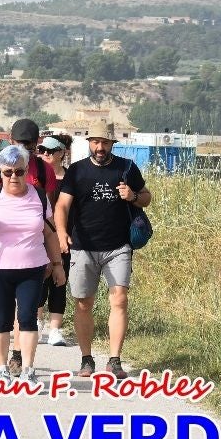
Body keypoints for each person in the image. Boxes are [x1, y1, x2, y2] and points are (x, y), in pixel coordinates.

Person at [0, 145, 66, 388]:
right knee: (1, 321)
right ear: (0, 172)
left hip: (32, 268)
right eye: (7, 172)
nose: (13, 177)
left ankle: (28, 370)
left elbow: (50, 233)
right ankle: (2, 370)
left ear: (27, 170)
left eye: (19, 172)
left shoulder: (38, 196)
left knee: (28, 318)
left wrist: (57, 264)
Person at [54, 120, 151, 380]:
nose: (100, 147)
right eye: (96, 142)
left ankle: (114, 360)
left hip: (118, 247)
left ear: (112, 144)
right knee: (83, 303)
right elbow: (62, 206)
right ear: (89, 143)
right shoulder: (77, 171)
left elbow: (146, 197)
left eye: (105, 143)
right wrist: (61, 233)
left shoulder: (126, 168)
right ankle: (87, 359)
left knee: (119, 299)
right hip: (83, 247)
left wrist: (132, 196)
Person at [37, 134, 72, 345]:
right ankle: (37, 319)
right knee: (40, 280)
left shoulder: (70, 178)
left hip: (64, 238)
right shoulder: (37, 176)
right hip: (38, 237)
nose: (45, 154)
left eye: (50, 151)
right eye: (42, 150)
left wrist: (64, 234)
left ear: (61, 153)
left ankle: (55, 329)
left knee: (59, 282)